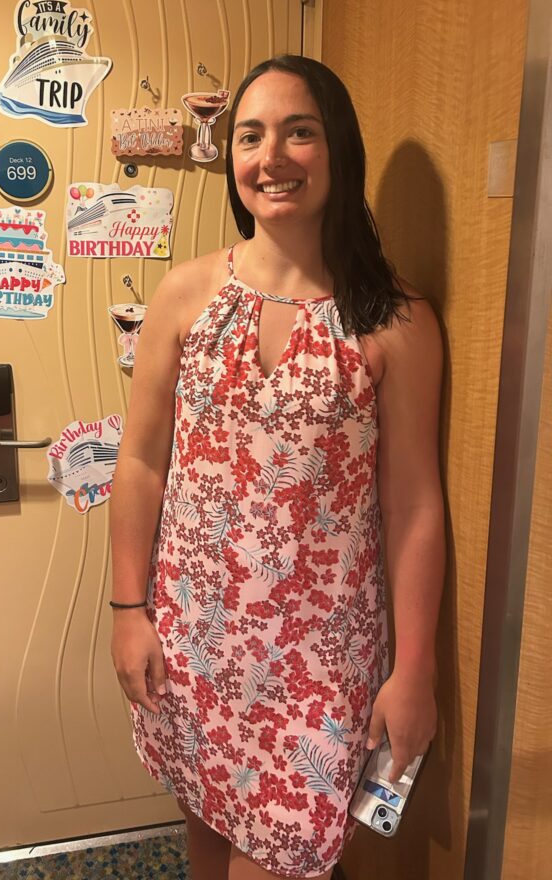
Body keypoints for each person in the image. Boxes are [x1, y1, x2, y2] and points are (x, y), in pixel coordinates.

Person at [109, 55, 444, 880]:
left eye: (301, 132)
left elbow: (413, 506)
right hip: (195, 643)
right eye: (251, 136)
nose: (272, 157)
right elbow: (144, 462)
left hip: (317, 670)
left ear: (339, 151)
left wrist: (416, 666)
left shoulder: (396, 323)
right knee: (207, 837)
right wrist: (127, 608)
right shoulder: (186, 296)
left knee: (283, 857)